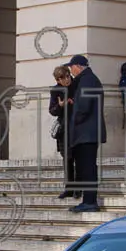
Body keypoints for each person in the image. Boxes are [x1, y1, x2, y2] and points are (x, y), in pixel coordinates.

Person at [65, 54, 106, 213]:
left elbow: (84, 106)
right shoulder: (86, 80)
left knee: (87, 167)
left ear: (77, 66)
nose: (71, 70)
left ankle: (89, 201)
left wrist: (75, 121)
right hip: (87, 132)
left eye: (71, 67)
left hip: (86, 132)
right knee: (85, 167)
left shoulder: (87, 80)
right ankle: (88, 201)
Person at [49, 65, 75, 199]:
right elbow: (52, 110)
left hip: (77, 126)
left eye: (67, 76)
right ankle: (69, 188)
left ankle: (79, 188)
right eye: (62, 78)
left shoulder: (76, 85)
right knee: (67, 159)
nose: (66, 80)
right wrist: (60, 106)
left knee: (79, 158)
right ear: (58, 80)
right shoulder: (56, 91)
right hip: (64, 129)